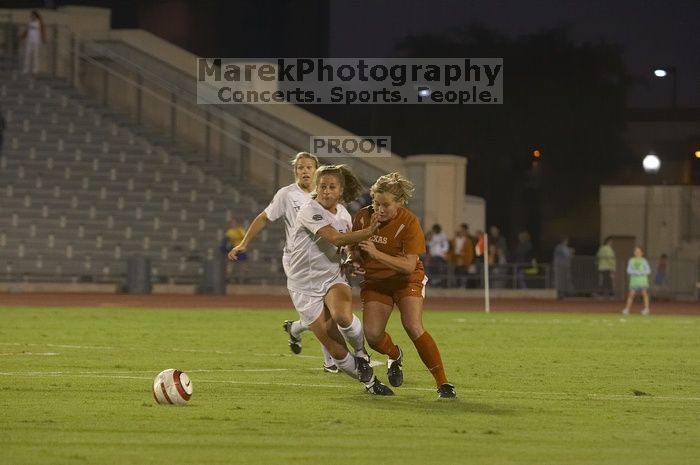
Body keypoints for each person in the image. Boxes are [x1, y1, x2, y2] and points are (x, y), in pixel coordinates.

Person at [285, 164, 393, 395]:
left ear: (340, 191)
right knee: (336, 350)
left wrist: (352, 259)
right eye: (322, 186)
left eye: (331, 187)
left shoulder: (344, 214)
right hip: (303, 286)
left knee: (343, 316)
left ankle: (362, 354)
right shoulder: (309, 210)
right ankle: (372, 382)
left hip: (333, 275)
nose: (325, 191)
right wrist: (369, 231)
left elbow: (346, 248)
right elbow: (335, 239)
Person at [228, 152, 336, 372]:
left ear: (316, 170)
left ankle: (296, 329)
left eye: (309, 167)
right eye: (300, 168)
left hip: (323, 258)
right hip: (298, 262)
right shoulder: (287, 195)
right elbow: (264, 217)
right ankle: (330, 360)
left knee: (327, 310)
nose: (305, 171)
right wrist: (244, 243)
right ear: (295, 171)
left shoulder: (325, 194)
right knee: (320, 310)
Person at [351, 172, 456, 399]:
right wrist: (353, 260)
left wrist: (376, 254)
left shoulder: (409, 222)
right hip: (376, 281)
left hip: (406, 280)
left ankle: (443, 384)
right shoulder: (361, 216)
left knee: (413, 326)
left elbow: (408, 266)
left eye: (386, 205)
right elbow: (356, 249)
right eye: (376, 203)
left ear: (400, 203)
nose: (379, 209)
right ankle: (394, 354)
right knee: (372, 335)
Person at [623, 246, 651, 315]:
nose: (637, 253)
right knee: (631, 295)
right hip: (634, 281)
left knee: (644, 294)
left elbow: (648, 270)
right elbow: (628, 270)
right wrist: (635, 272)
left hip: (642, 280)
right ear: (634, 253)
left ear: (642, 253)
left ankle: (646, 309)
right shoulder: (631, 260)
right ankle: (627, 309)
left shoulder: (644, 261)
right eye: (636, 251)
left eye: (639, 251)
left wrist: (641, 273)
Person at [19, 11, 47, 75]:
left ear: (36, 15)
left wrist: (44, 39)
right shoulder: (29, 21)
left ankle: (35, 70)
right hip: (29, 40)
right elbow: (27, 30)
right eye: (32, 15)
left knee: (35, 55)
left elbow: (43, 30)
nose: (32, 16)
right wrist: (22, 37)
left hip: (36, 41)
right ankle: (26, 69)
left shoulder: (39, 22)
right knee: (27, 54)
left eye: (33, 15)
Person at [448, 223, 474, 288]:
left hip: (464, 260)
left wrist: (466, 259)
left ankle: (463, 285)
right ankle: (455, 286)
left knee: (463, 274)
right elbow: (451, 250)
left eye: (462, 230)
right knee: (454, 274)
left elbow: (470, 253)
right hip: (455, 260)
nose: (460, 232)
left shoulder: (468, 241)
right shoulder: (453, 240)